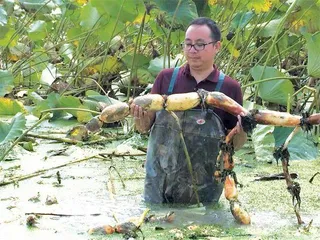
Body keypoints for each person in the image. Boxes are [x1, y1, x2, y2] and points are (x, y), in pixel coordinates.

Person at [130, 17, 246, 205]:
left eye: (200, 45)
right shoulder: (166, 79)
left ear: (217, 46)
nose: (192, 50)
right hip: (160, 182)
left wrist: (242, 130)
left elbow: (235, 145)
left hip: (205, 187)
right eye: (188, 44)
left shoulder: (230, 88)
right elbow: (145, 128)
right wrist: (139, 117)